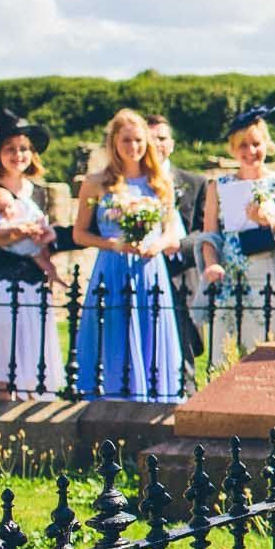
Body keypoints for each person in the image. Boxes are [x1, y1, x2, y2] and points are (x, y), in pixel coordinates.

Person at [71, 109, 184, 401]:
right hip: (113, 266)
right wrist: (114, 244)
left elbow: (172, 232)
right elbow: (79, 233)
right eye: (126, 141)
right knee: (112, 335)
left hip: (149, 267)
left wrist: (157, 245)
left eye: (138, 141)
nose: (133, 148)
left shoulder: (160, 182)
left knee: (150, 329)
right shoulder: (96, 183)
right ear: (114, 143)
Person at [0, 110, 66, 397]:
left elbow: (47, 237)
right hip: (1, 282)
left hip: (34, 281)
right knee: (1, 365)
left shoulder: (40, 192)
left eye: (24, 149)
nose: (18, 155)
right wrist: (19, 231)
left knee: (36, 364)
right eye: (10, 149)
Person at [197, 107, 275, 365]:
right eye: (242, 145)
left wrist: (270, 222)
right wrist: (212, 263)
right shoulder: (218, 186)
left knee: (269, 354)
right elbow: (210, 236)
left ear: (266, 144)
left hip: (271, 274)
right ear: (233, 148)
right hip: (232, 276)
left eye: (256, 143)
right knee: (225, 355)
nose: (250, 151)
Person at [144, 114, 209, 371]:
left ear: (171, 143)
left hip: (181, 277)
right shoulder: (129, 185)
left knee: (183, 362)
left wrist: (177, 246)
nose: (156, 144)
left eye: (161, 138)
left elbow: (205, 231)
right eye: (150, 138)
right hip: (142, 275)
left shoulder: (195, 183)